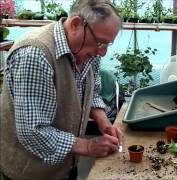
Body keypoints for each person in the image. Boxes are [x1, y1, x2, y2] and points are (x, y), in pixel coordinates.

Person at [0, 0, 123, 179]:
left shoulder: (89, 51)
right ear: (76, 24)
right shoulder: (35, 54)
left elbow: (92, 91)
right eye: (100, 42)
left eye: (107, 45)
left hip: (65, 167)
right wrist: (88, 146)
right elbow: (32, 131)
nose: (102, 52)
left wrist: (104, 122)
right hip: (30, 172)